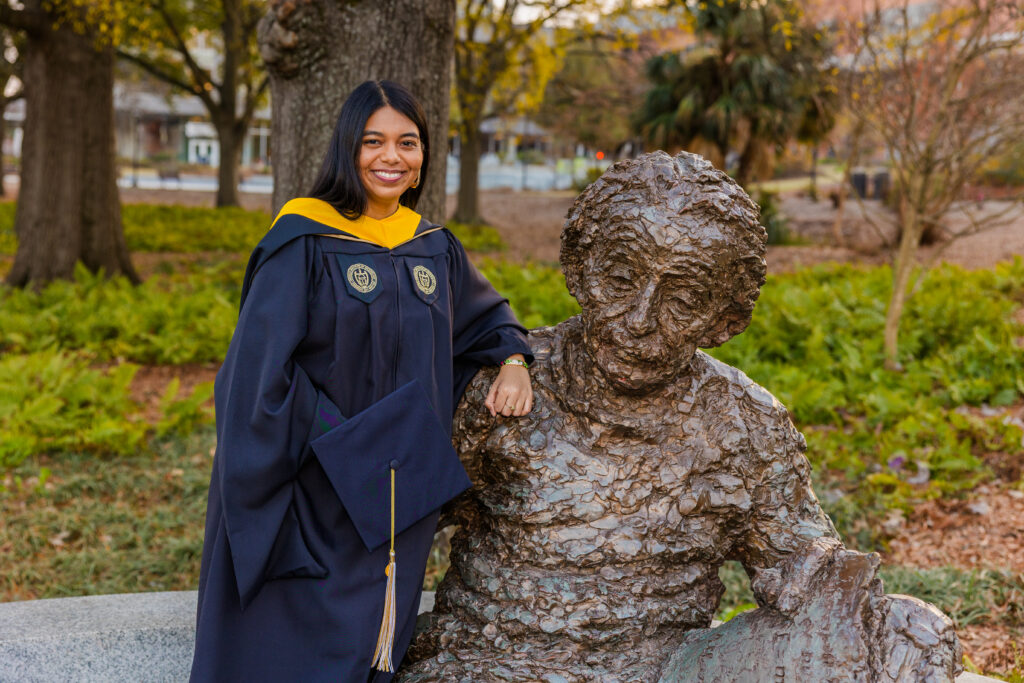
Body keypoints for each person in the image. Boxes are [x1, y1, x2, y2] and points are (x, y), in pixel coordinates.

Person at [400, 151, 960, 682]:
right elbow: (390, 524)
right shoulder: (504, 390)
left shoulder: (743, 426)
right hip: (485, 664)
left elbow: (805, 569)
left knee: (906, 637)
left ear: (726, 319)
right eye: (621, 279)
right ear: (578, 266)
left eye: (684, 298)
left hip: (662, 670)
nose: (639, 319)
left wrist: (884, 622)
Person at [189, 80, 533, 682]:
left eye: (408, 142)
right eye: (374, 141)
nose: (391, 157)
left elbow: (487, 318)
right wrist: (345, 447)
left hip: (393, 491)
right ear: (348, 148)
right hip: (314, 482)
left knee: (377, 642)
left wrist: (513, 361)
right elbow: (257, 376)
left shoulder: (432, 247)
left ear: (425, 154)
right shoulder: (304, 239)